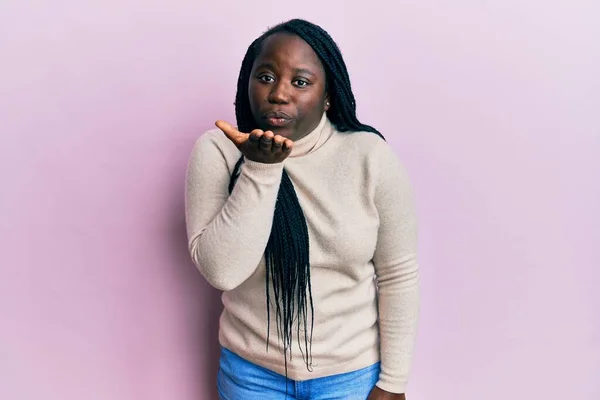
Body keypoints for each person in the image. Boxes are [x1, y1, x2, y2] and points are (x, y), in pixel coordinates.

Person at [185, 18, 420, 400]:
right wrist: (261, 168)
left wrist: (392, 382)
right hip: (251, 376)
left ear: (328, 96)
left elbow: (398, 274)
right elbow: (222, 271)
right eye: (264, 77)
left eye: (300, 82)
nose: (278, 94)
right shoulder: (219, 151)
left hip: (350, 377)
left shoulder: (369, 156)